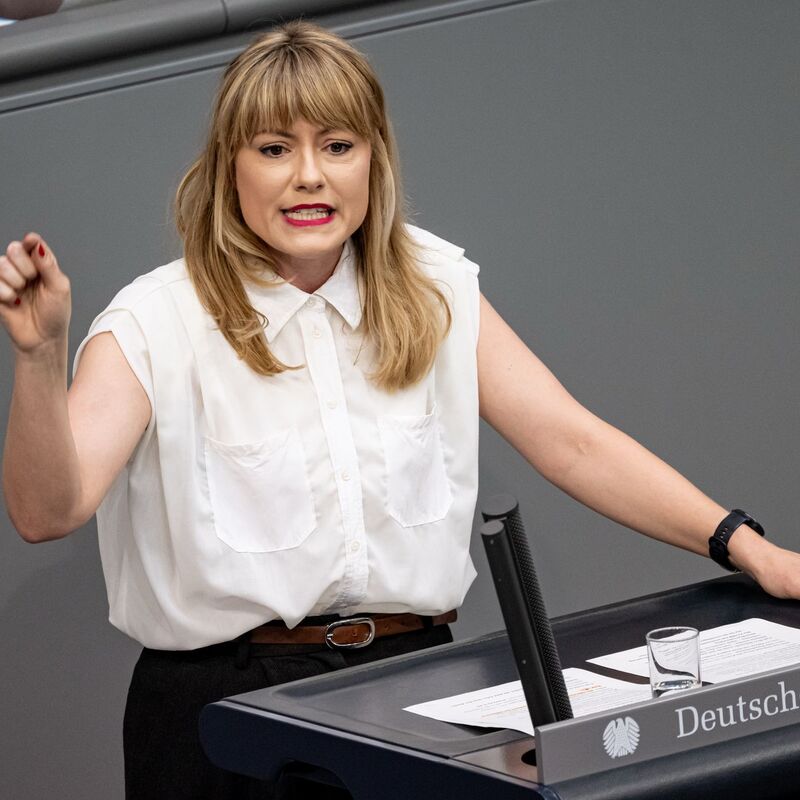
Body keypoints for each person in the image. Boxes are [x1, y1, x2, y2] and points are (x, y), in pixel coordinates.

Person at [2, 19, 799, 800]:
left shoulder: (435, 285)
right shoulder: (154, 320)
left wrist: (745, 547)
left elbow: (573, 442)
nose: (309, 176)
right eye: (274, 149)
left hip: (416, 689)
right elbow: (47, 512)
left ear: (374, 159)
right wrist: (39, 358)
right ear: (227, 168)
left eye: (337, 146)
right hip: (227, 716)